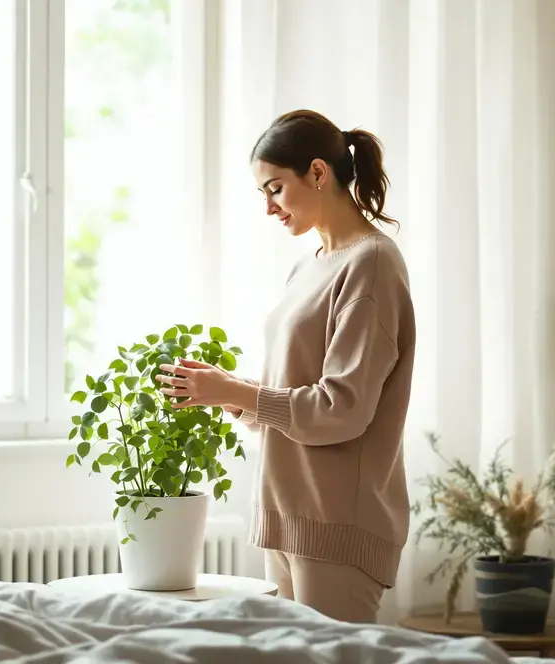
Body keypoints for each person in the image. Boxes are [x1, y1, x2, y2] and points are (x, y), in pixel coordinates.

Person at [156, 110, 415, 623]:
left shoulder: (372, 264)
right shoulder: (308, 265)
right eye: (262, 194)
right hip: (289, 516)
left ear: (318, 172)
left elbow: (341, 410)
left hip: (338, 524)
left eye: (275, 189)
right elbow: (293, 395)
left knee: (327, 660)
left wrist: (237, 393)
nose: (269, 208)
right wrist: (227, 391)